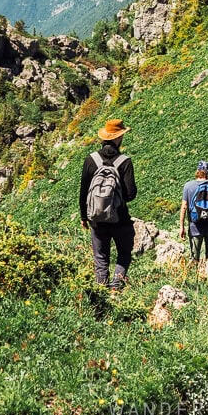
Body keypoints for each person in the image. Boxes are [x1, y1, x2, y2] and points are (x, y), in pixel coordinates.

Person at [79, 118, 137, 289]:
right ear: (118, 138)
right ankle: (115, 287)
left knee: (101, 258)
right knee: (124, 253)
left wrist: (84, 216)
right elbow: (131, 193)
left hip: (96, 218)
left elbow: (84, 192)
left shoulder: (91, 160)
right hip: (119, 218)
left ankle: (101, 290)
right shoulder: (124, 161)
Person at [179, 160, 208, 280]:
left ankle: (193, 283)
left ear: (198, 171)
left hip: (195, 227)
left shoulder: (188, 186)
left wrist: (181, 227)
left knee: (194, 257)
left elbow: (184, 206)